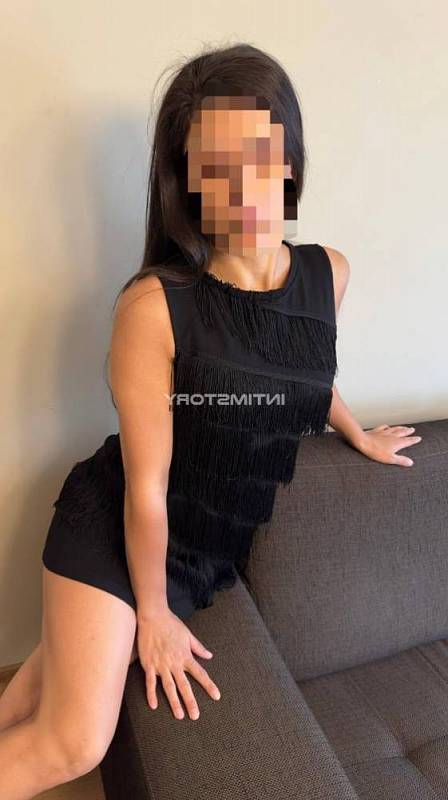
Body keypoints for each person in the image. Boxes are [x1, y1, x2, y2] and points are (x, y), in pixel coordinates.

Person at [0, 42, 422, 798]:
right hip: (120, 528)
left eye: (257, 153)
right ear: (187, 181)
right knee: (72, 743)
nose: (241, 185)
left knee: (32, 700)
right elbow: (145, 488)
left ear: (288, 156)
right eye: (213, 166)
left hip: (204, 552)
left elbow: (301, 365)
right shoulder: (155, 307)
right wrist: (152, 613)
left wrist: (356, 431)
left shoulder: (329, 272)